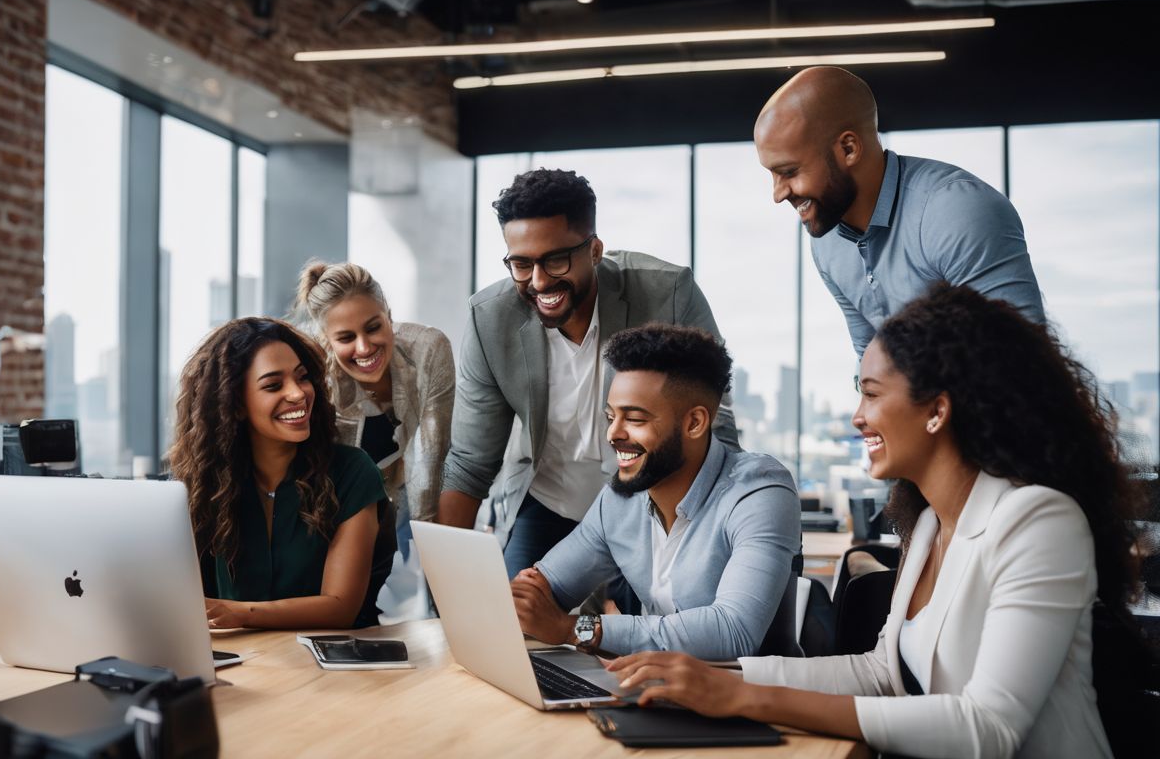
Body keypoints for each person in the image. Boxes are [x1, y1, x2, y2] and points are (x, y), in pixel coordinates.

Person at [608, 284, 1141, 758]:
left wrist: (747, 697)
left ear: (936, 410)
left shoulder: (1038, 520)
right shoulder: (930, 525)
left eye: (870, 393)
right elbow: (881, 673)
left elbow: (987, 728)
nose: (857, 416)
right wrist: (716, 677)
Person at [437, 167, 741, 579]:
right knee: (514, 625)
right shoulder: (489, 320)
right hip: (547, 502)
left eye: (555, 260)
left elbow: (713, 429)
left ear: (595, 250)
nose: (539, 282)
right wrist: (448, 583)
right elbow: (471, 462)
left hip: (648, 503)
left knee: (647, 633)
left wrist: (724, 540)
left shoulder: (668, 295)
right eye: (521, 264)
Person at [511, 324, 799, 659]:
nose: (613, 434)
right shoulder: (619, 500)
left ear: (694, 423)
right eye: (611, 416)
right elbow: (547, 588)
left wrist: (576, 629)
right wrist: (522, 600)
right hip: (652, 688)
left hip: (748, 697)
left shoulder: (760, 492)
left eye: (634, 419)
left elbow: (733, 632)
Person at [754, 66, 1045, 358]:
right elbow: (870, 364)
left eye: (789, 171)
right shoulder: (827, 242)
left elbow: (1020, 362)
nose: (778, 194)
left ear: (849, 149)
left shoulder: (954, 210)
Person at [169, 317, 395, 630]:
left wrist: (239, 613)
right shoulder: (205, 483)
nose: (298, 394)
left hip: (336, 665)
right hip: (243, 662)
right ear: (235, 405)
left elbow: (340, 607)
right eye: (274, 385)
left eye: (302, 378)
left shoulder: (352, 471)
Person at [295, 261, 454, 620]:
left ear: (389, 316)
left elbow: (429, 460)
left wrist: (435, 566)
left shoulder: (429, 349)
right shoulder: (319, 378)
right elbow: (329, 477)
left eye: (373, 327)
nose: (364, 348)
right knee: (361, 599)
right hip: (355, 497)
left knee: (436, 589)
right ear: (327, 341)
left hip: (418, 483)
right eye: (346, 338)